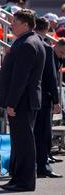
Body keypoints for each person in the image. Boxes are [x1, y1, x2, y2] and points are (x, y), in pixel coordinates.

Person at [0, 9, 46, 192]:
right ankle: (17, 178)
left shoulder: (27, 44)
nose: (11, 25)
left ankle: (24, 181)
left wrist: (11, 103)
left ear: (25, 25)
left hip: (22, 102)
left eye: (15, 22)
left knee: (24, 143)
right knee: (20, 142)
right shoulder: (31, 41)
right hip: (25, 100)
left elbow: (20, 78)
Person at [33, 17, 62, 178]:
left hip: (30, 96)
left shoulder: (25, 44)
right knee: (43, 133)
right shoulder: (46, 48)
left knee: (32, 133)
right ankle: (43, 167)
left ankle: (32, 165)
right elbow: (51, 77)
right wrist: (57, 101)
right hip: (44, 97)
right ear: (47, 29)